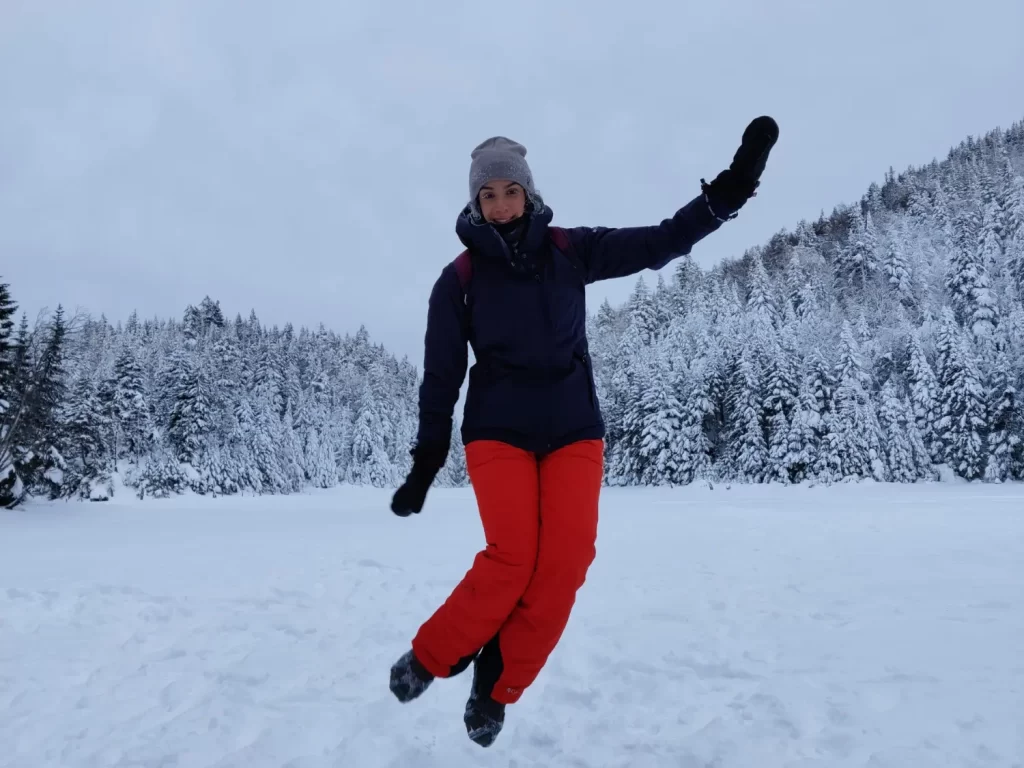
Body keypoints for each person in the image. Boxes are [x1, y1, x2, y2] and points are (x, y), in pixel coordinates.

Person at [388, 118, 778, 747]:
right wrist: (425, 462)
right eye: (487, 195)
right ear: (475, 204)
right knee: (513, 557)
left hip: (572, 428)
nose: (501, 203)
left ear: (528, 192)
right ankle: (434, 655)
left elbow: (662, 241)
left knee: (564, 564)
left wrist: (731, 190)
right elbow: (441, 376)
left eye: (509, 190)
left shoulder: (570, 250)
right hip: (498, 431)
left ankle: (497, 683)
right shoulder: (458, 280)